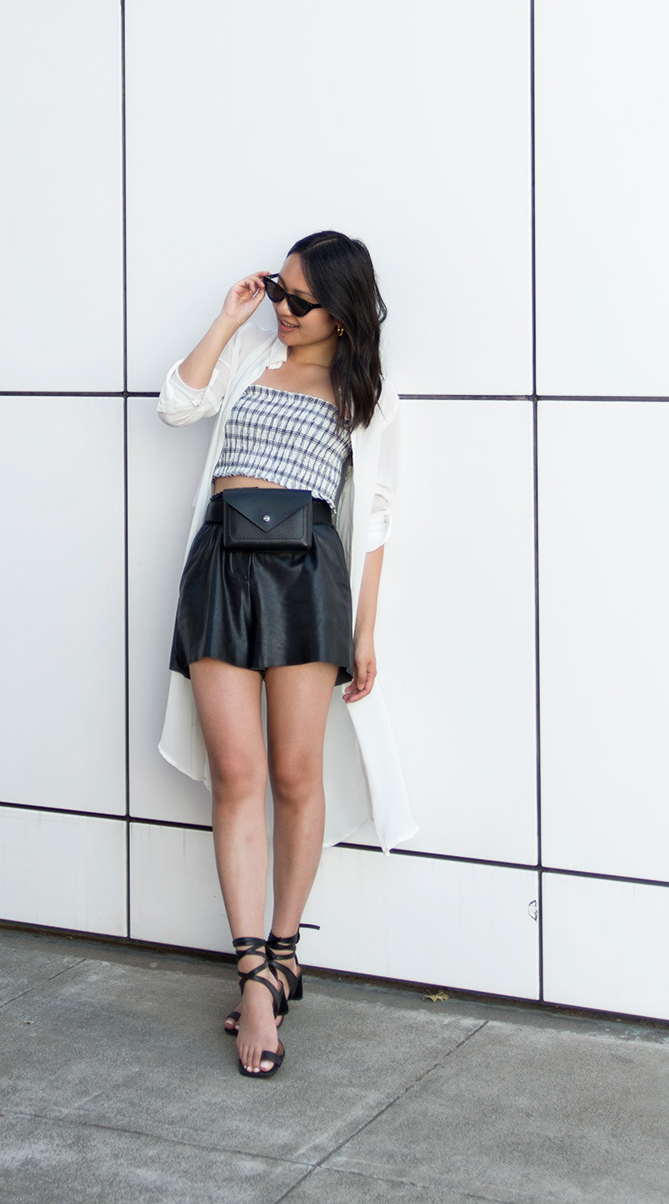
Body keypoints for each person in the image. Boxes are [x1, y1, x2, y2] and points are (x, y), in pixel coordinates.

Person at [156, 229, 410, 1078]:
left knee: (297, 775)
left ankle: (284, 950)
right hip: (222, 566)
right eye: (278, 291)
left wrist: (365, 632)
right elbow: (177, 404)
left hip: (306, 575)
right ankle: (253, 972)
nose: (285, 310)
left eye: (300, 300)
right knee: (238, 775)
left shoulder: (366, 394)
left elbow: (374, 516)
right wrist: (230, 319)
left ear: (342, 310)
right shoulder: (251, 354)